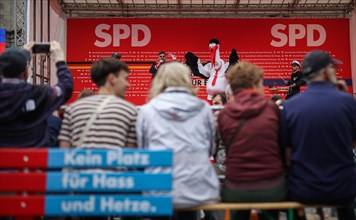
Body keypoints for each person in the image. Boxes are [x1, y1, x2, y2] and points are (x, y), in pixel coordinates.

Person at [137, 62, 220, 220]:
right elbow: (210, 149)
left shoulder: (147, 111)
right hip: (193, 186)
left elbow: (144, 150)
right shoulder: (202, 108)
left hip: (158, 186)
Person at [280, 50, 356, 220]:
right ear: (327, 71)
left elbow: (287, 152)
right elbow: (351, 143)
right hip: (342, 189)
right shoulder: (347, 102)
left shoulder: (291, 106)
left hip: (303, 188)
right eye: (333, 68)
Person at [218, 62, 286, 220]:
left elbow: (227, 148)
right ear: (255, 84)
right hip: (272, 188)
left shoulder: (224, 114)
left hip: (235, 189)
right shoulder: (272, 109)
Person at [0, 41, 73, 147]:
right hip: (33, 160)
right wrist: (60, 60)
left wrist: (23, 56)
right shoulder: (39, 94)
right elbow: (66, 87)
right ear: (25, 72)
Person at [58, 58, 137, 149]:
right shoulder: (130, 111)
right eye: (126, 79)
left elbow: (63, 153)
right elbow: (130, 156)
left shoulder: (72, 109)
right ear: (112, 78)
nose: (128, 85)